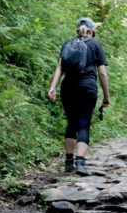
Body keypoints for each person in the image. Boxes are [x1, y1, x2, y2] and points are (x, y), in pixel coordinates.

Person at [47, 17, 111, 175]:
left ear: (78, 30)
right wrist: (106, 96)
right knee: (83, 124)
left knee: (71, 123)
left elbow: (60, 67)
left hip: (68, 87)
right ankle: (80, 164)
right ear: (90, 31)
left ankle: (68, 163)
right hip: (87, 87)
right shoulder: (95, 44)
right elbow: (102, 73)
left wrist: (53, 87)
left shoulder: (68, 44)